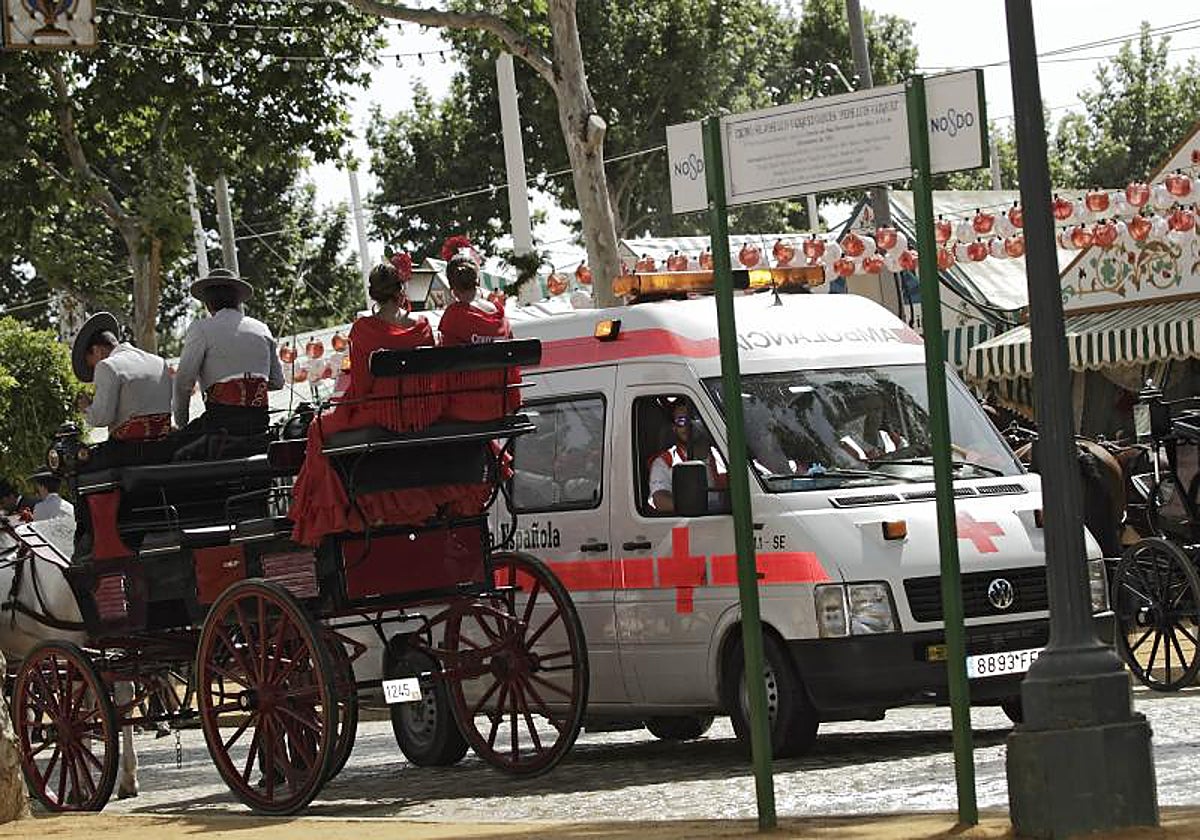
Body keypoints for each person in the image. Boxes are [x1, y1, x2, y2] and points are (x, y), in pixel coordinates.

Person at [289, 257, 443, 546]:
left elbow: (361, 388)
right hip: (423, 414)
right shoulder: (422, 327)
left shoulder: (363, 330)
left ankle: (333, 513)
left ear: (374, 294)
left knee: (317, 429)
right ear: (401, 291)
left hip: (382, 414)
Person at [173, 269, 284, 438]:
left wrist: (182, 425)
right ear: (237, 300)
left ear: (208, 303)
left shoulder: (201, 328)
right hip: (259, 422)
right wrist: (251, 385)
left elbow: (183, 383)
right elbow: (277, 382)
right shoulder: (262, 328)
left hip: (221, 423)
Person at [73, 312, 173, 464]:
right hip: (164, 449)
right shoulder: (159, 362)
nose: (94, 369)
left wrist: (87, 408)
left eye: (91, 363)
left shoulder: (107, 366)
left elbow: (101, 418)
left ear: (97, 351)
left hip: (128, 453)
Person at [437, 240, 521, 421]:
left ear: (452, 288)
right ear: (478, 281)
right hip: (500, 405)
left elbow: (443, 366)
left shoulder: (454, 316)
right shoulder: (499, 315)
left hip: (463, 408)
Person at [648, 401, 727, 514]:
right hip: (691, 522)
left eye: (694, 418)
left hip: (725, 519)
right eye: (681, 420)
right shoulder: (665, 462)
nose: (688, 425)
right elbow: (660, 501)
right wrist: (694, 506)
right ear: (674, 428)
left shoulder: (721, 454)